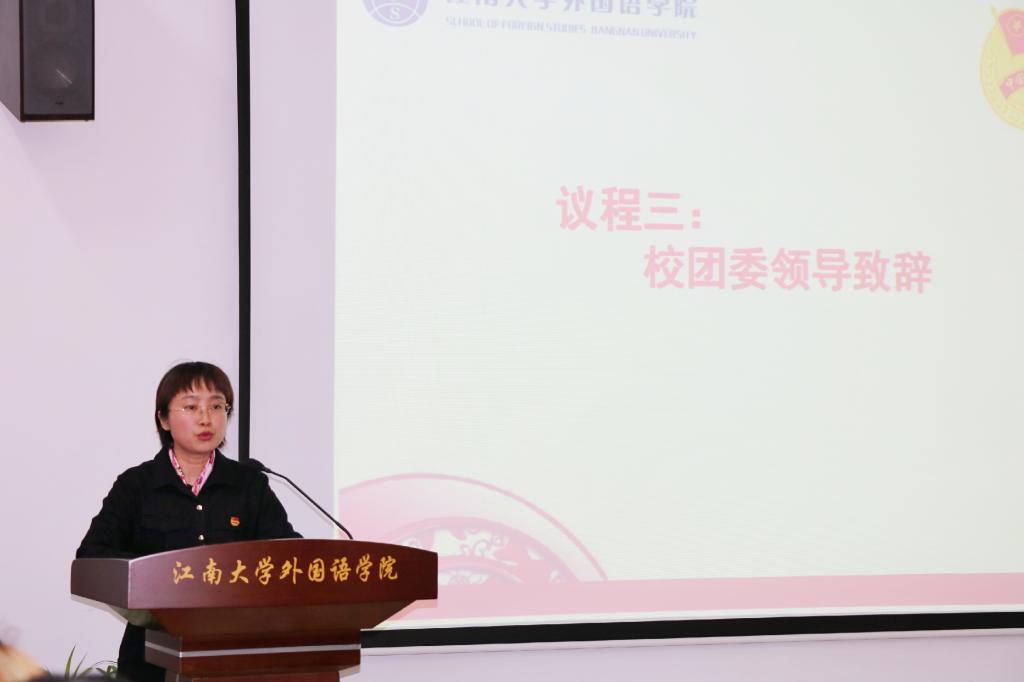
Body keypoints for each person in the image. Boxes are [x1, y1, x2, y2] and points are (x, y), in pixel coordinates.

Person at [76, 361, 300, 682]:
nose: (206, 418)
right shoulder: (136, 485)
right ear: (163, 419)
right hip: (150, 657)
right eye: (191, 407)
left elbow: (288, 556)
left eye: (217, 406)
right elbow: (93, 556)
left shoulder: (249, 484)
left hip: (236, 655)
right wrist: (161, 577)